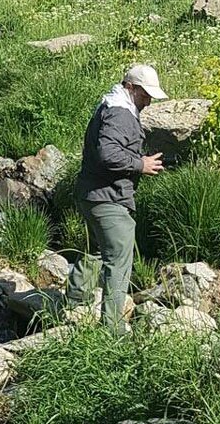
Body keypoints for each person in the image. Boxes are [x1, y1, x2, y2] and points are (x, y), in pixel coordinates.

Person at [64, 64, 168, 332]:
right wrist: (140, 164)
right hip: (109, 199)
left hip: (92, 195)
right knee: (119, 260)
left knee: (97, 249)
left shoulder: (109, 105)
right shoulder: (121, 114)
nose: (148, 101)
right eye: (145, 95)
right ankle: (112, 329)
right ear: (130, 87)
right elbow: (107, 154)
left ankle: (73, 304)